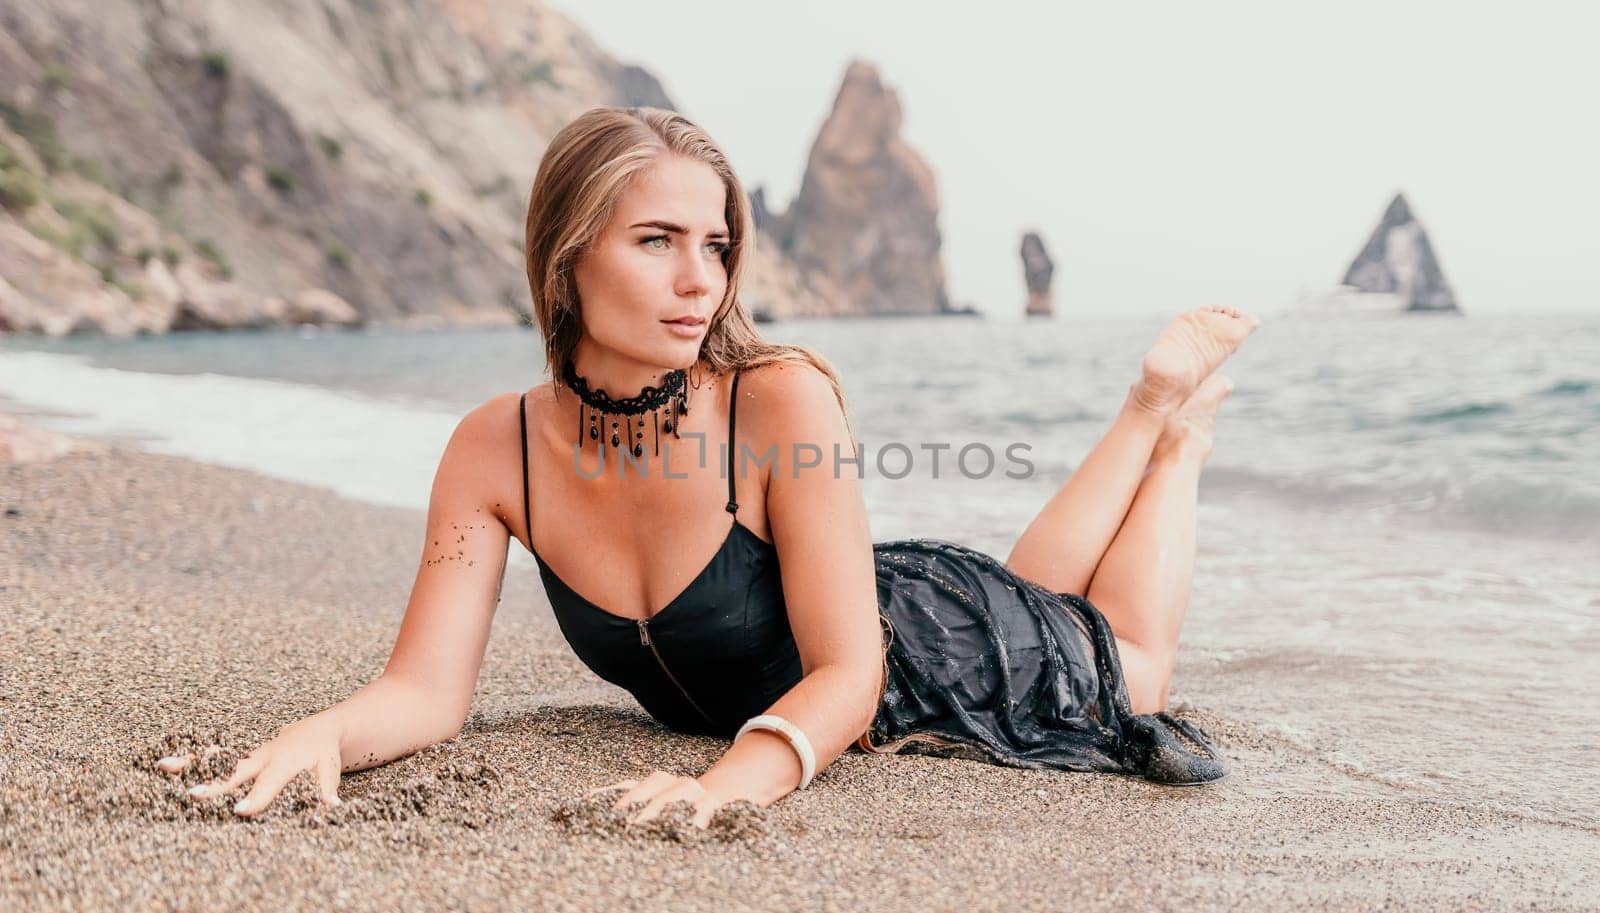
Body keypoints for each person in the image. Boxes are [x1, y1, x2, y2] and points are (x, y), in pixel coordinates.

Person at [159, 107, 1260, 828]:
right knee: (1034, 594)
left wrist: (732, 779)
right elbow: (426, 690)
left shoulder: (779, 397)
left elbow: (847, 675)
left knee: (1128, 662)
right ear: (565, 258)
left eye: (716, 243)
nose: (700, 280)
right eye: (656, 241)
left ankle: (1173, 434)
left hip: (901, 654)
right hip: (890, 612)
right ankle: (1153, 415)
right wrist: (326, 734)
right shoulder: (493, 449)